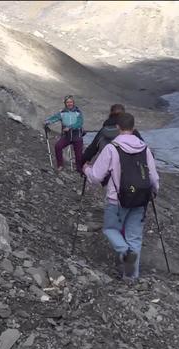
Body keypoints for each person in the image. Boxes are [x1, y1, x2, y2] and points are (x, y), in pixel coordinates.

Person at [83, 113, 160, 279]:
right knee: (134, 237)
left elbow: (96, 176)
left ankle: (125, 253)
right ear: (134, 127)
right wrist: (154, 190)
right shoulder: (144, 148)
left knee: (111, 229)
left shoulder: (112, 148)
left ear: (118, 127)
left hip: (117, 199)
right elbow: (153, 176)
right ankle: (131, 277)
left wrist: (86, 169)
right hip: (140, 198)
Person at [44, 95, 84, 172]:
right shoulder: (62, 113)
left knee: (78, 154)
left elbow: (80, 123)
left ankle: (79, 169)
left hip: (77, 136)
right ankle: (60, 165)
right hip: (67, 136)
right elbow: (54, 118)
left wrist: (70, 127)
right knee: (58, 146)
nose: (69, 104)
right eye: (67, 102)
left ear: (73, 103)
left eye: (71, 102)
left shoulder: (78, 112)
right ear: (65, 103)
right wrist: (47, 122)